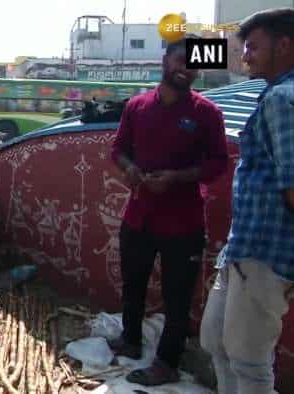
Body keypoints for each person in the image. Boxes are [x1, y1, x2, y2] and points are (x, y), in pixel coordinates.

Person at [109, 34, 229, 386]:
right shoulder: (137, 106)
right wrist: (129, 169)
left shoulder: (207, 113)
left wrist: (177, 177)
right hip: (139, 214)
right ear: (166, 60)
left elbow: (219, 163)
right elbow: (117, 149)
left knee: (178, 296)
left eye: (194, 66)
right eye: (181, 61)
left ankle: (167, 362)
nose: (187, 70)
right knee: (133, 283)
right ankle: (130, 340)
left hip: (184, 221)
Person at [200, 8, 294, 394]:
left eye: (253, 47)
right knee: (216, 342)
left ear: (285, 45)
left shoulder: (284, 100)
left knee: (249, 361)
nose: (245, 57)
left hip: (265, 253)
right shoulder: (273, 94)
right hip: (244, 249)